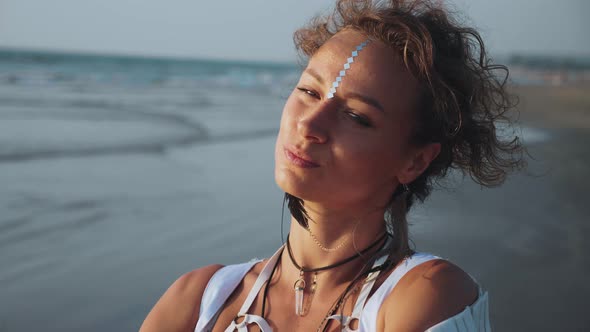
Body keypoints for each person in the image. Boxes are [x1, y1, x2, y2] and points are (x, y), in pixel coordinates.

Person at [140, 0, 524, 331]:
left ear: (415, 160)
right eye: (308, 91)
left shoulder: (425, 295)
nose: (309, 124)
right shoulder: (196, 302)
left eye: (357, 117)